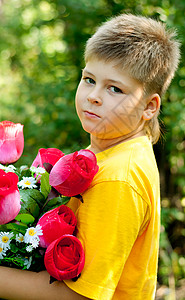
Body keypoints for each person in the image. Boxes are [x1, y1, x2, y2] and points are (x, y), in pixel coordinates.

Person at [0, 13, 180, 300]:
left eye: (115, 88)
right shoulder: (115, 151)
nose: (93, 96)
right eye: (89, 79)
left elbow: (79, 296)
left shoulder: (118, 178)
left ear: (149, 106)